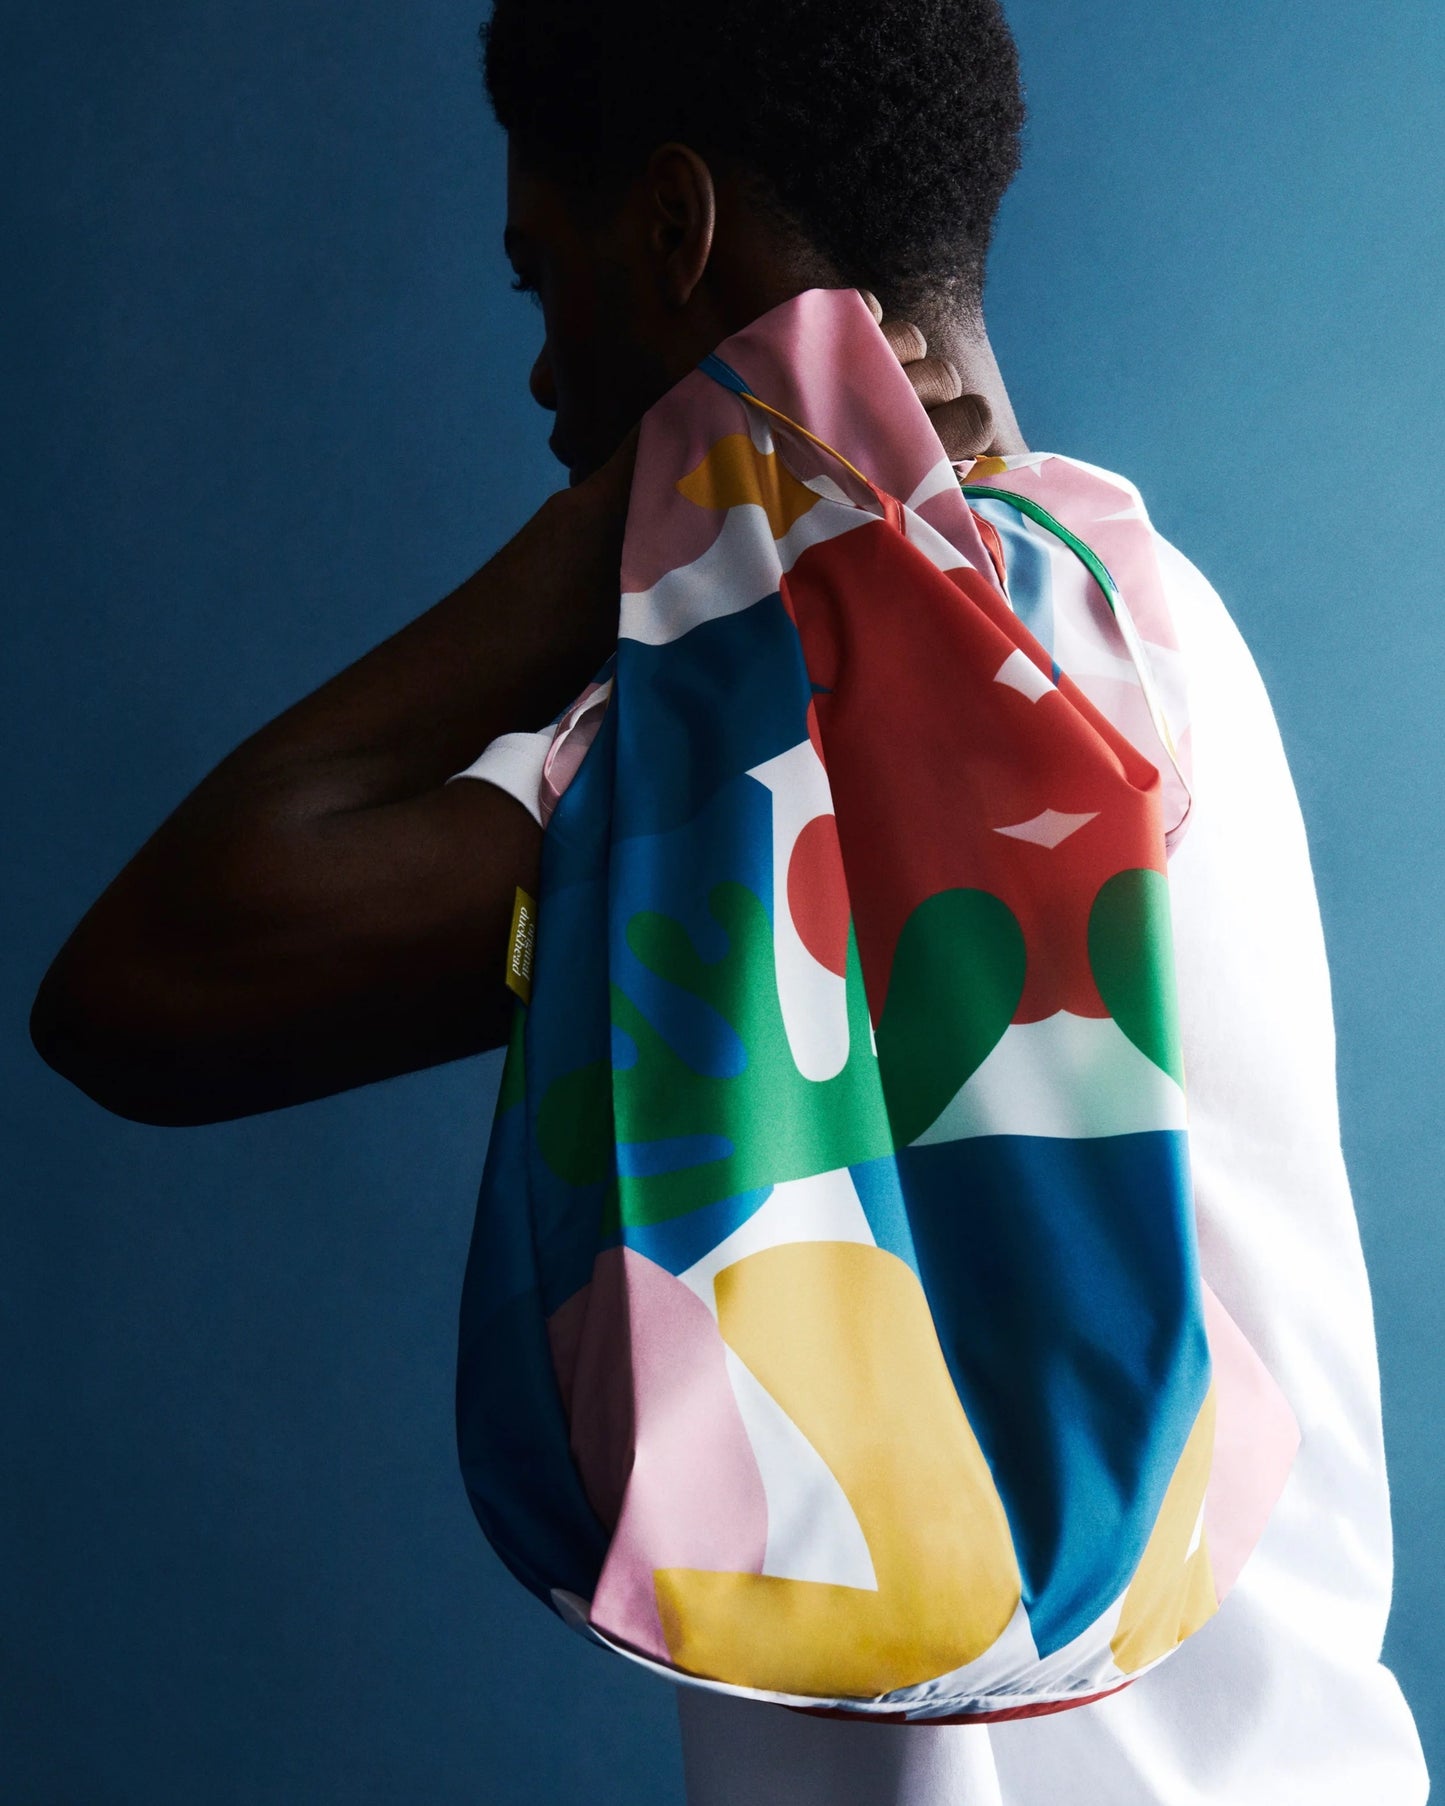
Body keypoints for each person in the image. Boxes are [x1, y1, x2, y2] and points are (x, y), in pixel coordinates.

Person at [29, 1, 1427, 1802]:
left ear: (674, 231)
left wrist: (607, 528)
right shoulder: (1161, 612)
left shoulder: (774, 700)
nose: (538, 373)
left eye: (544, 281)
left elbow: (142, 987)